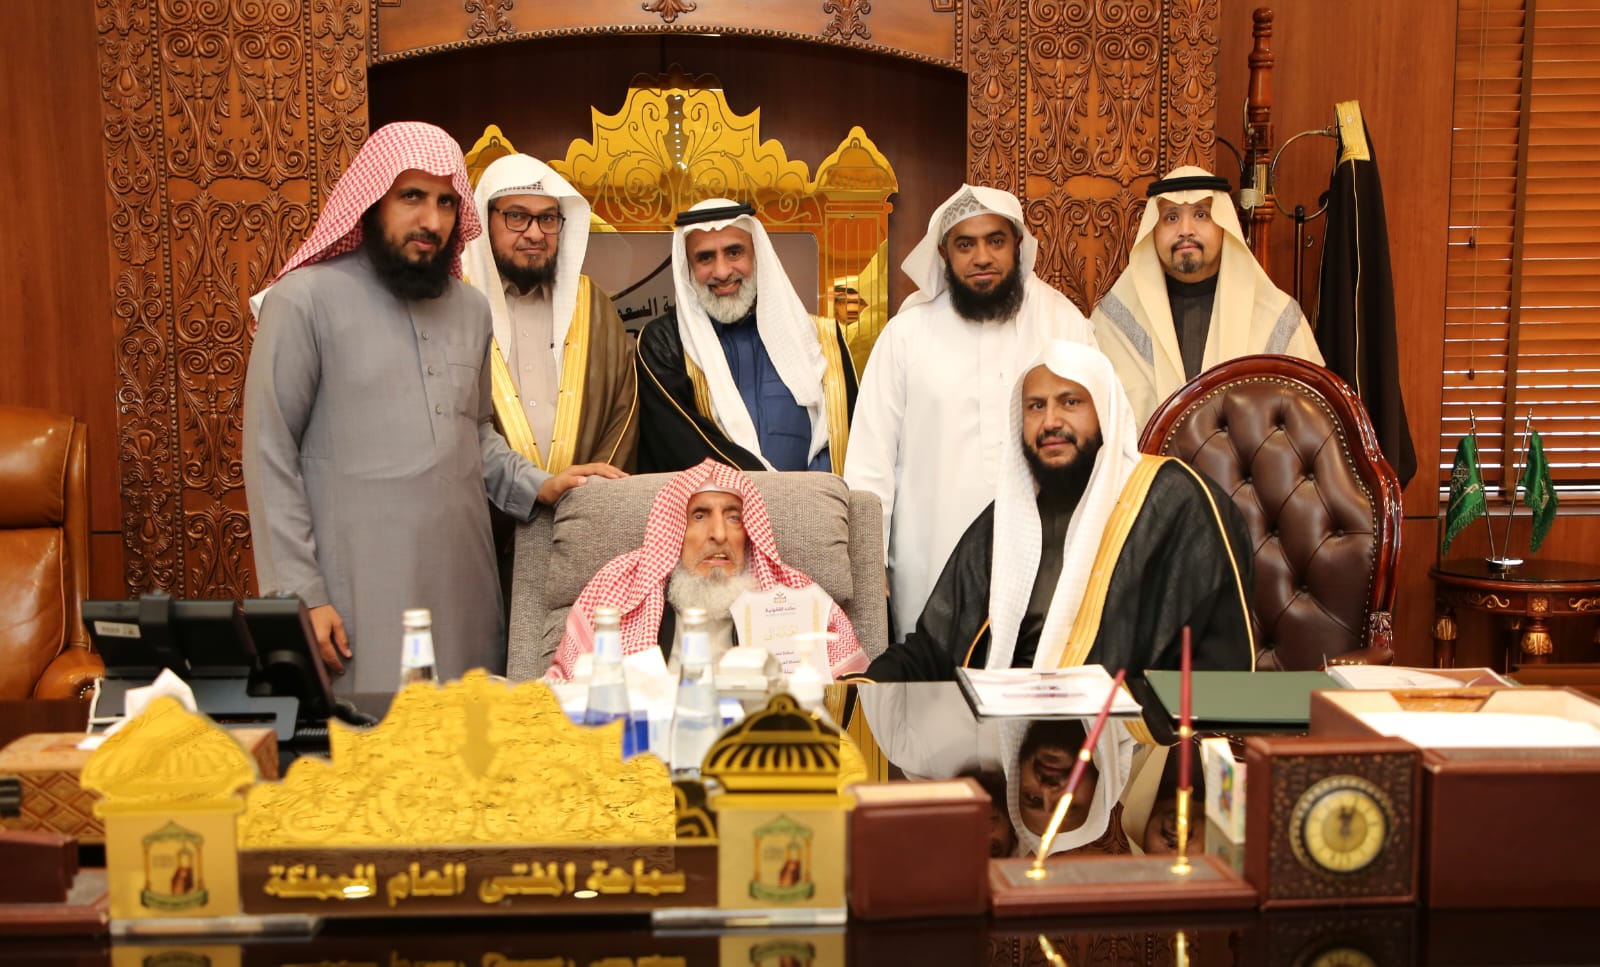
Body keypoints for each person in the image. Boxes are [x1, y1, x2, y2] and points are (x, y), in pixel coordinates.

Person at [244, 122, 622, 696]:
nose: (432, 220)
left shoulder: (470, 309)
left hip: (463, 591)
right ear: (373, 200)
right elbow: (269, 452)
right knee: (368, 740)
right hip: (355, 596)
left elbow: (474, 434)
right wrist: (301, 594)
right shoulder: (303, 300)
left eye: (447, 202)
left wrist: (541, 484)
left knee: (469, 734)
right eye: (412, 197)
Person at [857, 339, 1256, 682]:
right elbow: (931, 649)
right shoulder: (1009, 518)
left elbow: (1219, 672)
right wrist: (859, 688)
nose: (1050, 421)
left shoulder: (1174, 502)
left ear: (1105, 412)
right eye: (1035, 406)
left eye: (1070, 402)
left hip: (1127, 733)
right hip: (999, 728)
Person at [844, 184, 1096, 643]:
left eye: (995, 241)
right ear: (944, 254)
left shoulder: (1064, 324)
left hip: (1047, 555)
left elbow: (1101, 441)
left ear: (1017, 244)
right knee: (930, 678)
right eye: (965, 244)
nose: (982, 257)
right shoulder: (906, 336)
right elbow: (869, 462)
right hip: (930, 561)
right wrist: (867, 562)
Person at [545, 459, 868, 681]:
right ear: (673, 529)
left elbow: (852, 691)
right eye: (699, 516)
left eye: (734, 517)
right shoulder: (618, 585)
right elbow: (562, 689)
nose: (719, 534)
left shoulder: (796, 595)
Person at [1091, 165, 1324, 426]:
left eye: (1201, 215)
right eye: (1171, 217)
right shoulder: (1115, 320)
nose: (1185, 229)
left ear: (1224, 226)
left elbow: (1311, 421)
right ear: (1153, 230)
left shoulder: (1276, 317)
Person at [635, 199, 856, 474]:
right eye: (705, 258)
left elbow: (843, 439)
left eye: (734, 252)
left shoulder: (822, 339)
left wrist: (812, 495)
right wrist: (774, 493)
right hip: (717, 503)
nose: (722, 272)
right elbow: (683, 452)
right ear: (688, 268)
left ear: (757, 255)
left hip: (816, 500)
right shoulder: (665, 345)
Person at [464, 153, 638, 472]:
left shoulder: (593, 305)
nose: (535, 233)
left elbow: (623, 411)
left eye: (547, 219)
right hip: (485, 502)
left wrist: (589, 491)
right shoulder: (458, 307)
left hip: (587, 500)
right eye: (517, 216)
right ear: (485, 221)